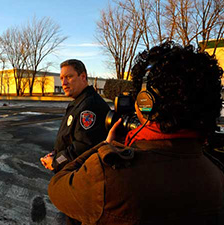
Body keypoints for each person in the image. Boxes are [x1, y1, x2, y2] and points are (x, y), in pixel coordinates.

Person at [48, 42, 224, 225]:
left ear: (147, 101)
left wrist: (105, 146)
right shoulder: (216, 174)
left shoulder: (109, 175)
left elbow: (57, 187)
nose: (64, 82)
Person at [40, 59, 110, 224]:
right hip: (75, 178)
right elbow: (72, 138)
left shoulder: (89, 106)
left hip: (81, 183)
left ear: (83, 77)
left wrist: (56, 161)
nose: (63, 82)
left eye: (69, 77)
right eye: (62, 78)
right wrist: (56, 153)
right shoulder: (80, 102)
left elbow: (83, 147)